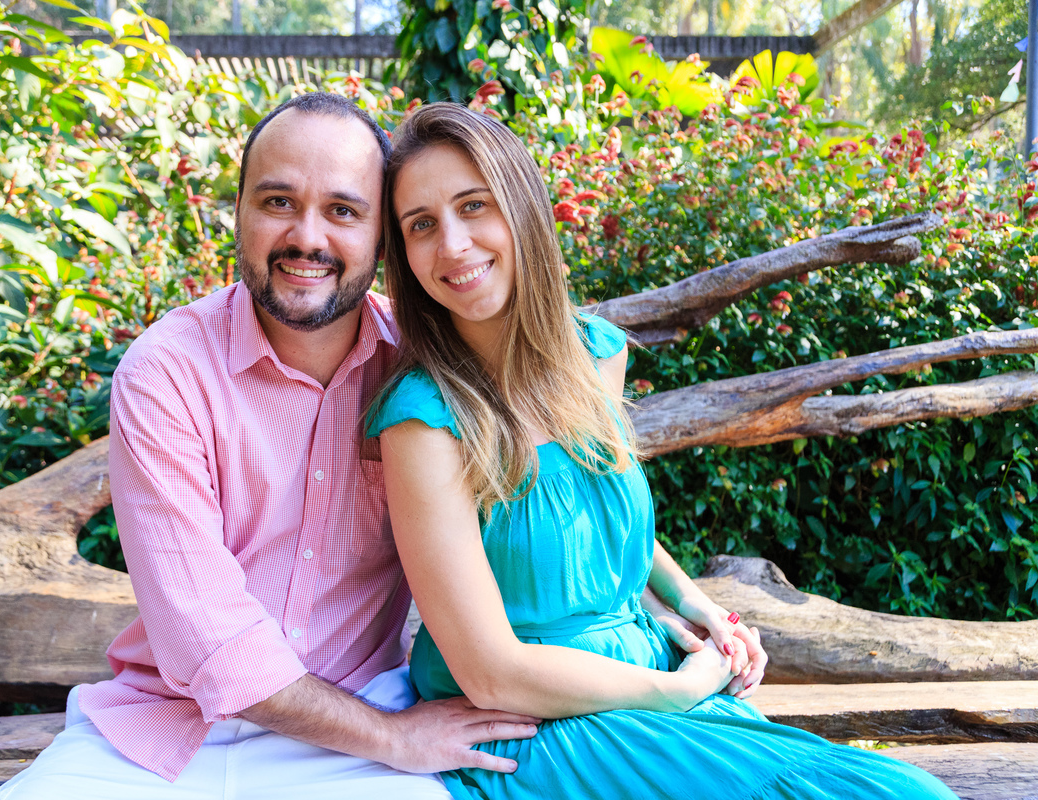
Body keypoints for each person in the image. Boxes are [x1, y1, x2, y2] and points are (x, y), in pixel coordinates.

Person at [364, 101, 958, 800]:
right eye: (421, 225)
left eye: (474, 206)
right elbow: (492, 673)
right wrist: (676, 691)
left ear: (523, 208)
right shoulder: (424, 421)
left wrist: (694, 603)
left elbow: (591, 513)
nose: (454, 245)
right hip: (530, 722)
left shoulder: (594, 355)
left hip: (644, 673)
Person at [0, 92, 541, 800]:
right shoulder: (168, 371)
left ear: (382, 237)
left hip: (360, 723)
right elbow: (207, 639)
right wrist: (394, 738)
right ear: (239, 213)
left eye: (343, 211)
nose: (306, 238)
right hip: (166, 730)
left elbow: (556, 491)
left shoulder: (424, 372)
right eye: (278, 202)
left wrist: (664, 604)